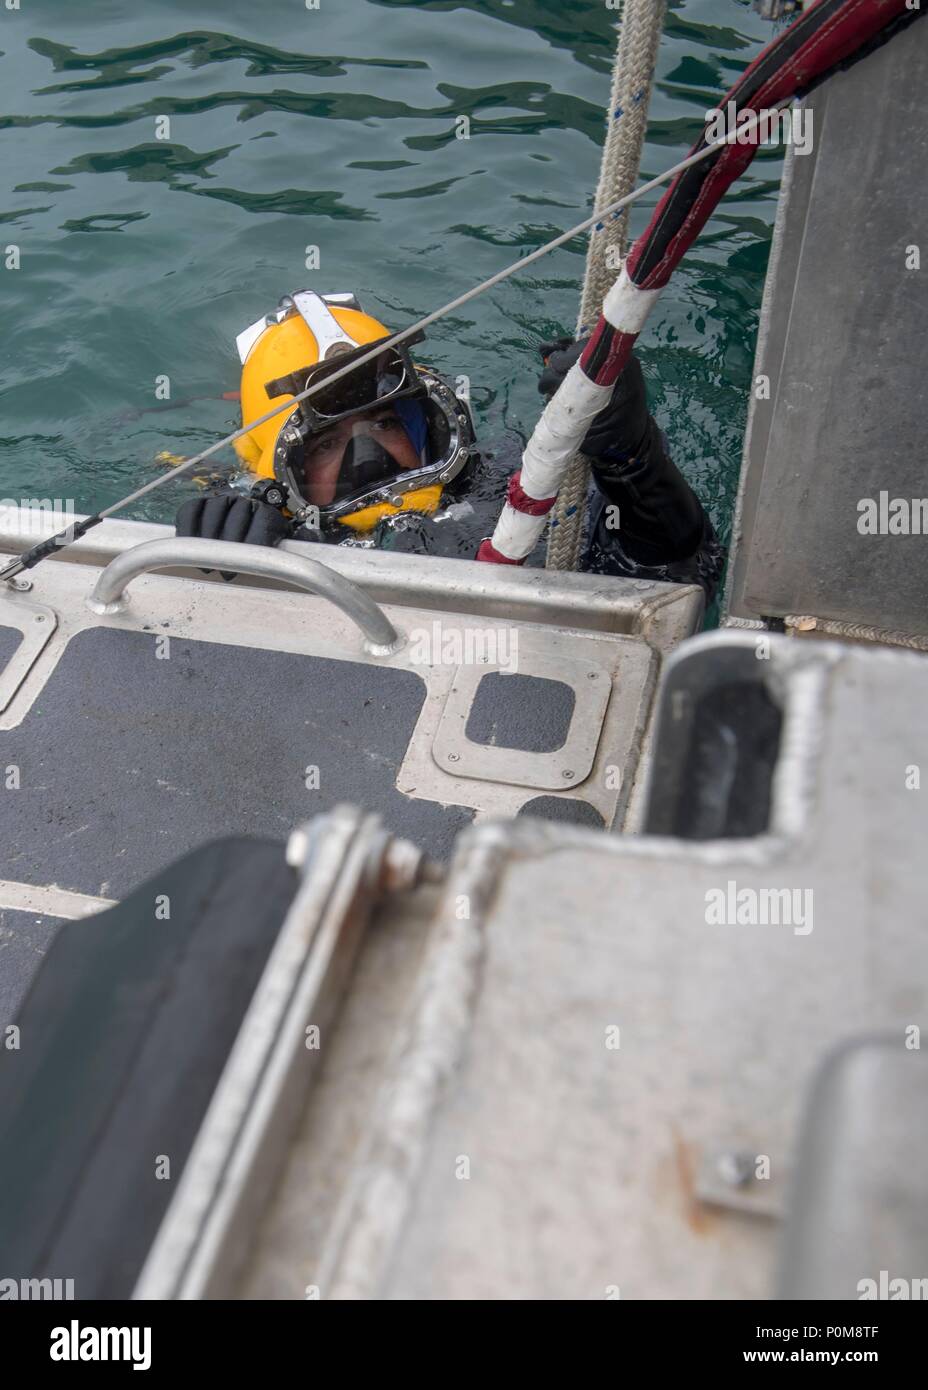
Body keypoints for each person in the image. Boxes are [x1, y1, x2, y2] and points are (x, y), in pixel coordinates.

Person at [176, 289, 724, 598]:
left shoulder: (509, 479)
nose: (369, 456)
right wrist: (222, 560)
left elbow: (674, 572)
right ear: (276, 470)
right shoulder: (256, 519)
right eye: (325, 445)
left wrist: (631, 456)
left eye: (387, 423)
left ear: (435, 422)